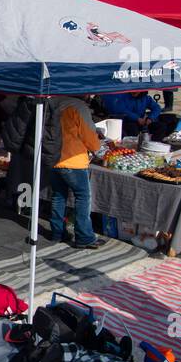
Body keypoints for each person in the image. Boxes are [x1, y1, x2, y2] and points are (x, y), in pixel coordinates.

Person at [48, 95, 101, 249]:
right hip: (72, 159)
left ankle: (57, 233)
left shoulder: (51, 102)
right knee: (83, 197)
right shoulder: (78, 107)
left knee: (58, 196)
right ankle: (84, 236)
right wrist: (97, 148)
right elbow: (89, 136)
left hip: (53, 158)